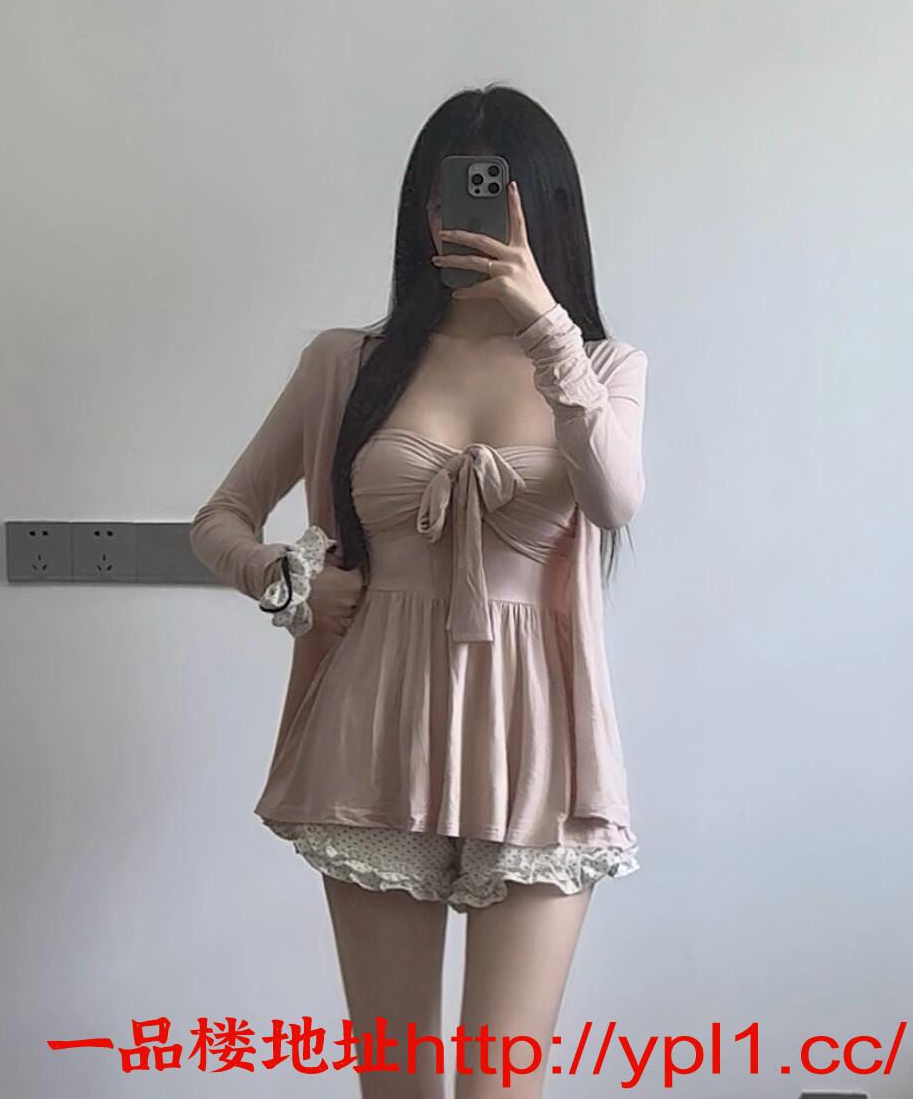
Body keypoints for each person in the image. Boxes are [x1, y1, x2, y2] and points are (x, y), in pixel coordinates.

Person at [190, 84, 648, 1098]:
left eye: (493, 193)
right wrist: (292, 581)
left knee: (499, 1088)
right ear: (421, 209)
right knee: (396, 1086)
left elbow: (614, 499)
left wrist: (547, 330)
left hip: (538, 746)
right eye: (445, 196)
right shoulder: (346, 364)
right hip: (375, 732)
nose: (461, 219)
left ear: (544, 207)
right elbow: (220, 519)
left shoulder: (602, 366)